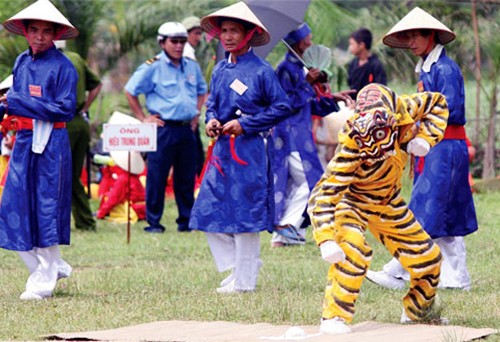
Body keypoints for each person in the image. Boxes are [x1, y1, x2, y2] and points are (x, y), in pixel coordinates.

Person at [308, 83, 449, 334]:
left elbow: (438, 103)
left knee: (428, 258)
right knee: (351, 249)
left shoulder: (406, 108)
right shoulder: (352, 142)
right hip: (353, 203)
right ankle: (334, 317)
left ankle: (416, 312)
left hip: (388, 201)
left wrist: (425, 139)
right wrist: (326, 239)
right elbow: (324, 192)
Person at [366, 7, 478, 291]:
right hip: (433, 148)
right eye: (408, 37)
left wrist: (415, 115)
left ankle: (398, 271)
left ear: (432, 36)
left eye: (417, 36)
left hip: (446, 147)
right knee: (441, 212)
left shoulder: (445, 69)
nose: (411, 42)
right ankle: (456, 278)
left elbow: (451, 110)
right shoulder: (427, 67)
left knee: (425, 212)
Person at [189, 1, 291, 293]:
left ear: (249, 35)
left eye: (235, 30)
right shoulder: (220, 69)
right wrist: (211, 121)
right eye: (224, 31)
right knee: (208, 210)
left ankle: (244, 282)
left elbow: (282, 106)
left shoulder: (262, 71)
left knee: (246, 215)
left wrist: (246, 124)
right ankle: (242, 265)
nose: (229, 36)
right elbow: (212, 106)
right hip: (222, 152)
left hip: (250, 152)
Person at [0, 0, 78, 300]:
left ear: (56, 34)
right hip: (22, 143)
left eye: (47, 32)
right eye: (34, 30)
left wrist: (17, 103)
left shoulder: (63, 67)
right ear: (25, 31)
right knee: (13, 208)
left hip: (51, 146)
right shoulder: (21, 61)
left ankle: (42, 283)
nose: (40, 37)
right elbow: (15, 101)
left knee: (45, 209)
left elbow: (65, 109)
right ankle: (51, 265)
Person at [272, 23, 353, 247]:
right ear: (299, 43)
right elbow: (284, 104)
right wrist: (306, 84)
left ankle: (285, 238)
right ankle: (287, 224)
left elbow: (308, 104)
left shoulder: (299, 68)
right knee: (313, 182)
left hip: (299, 131)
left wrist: (333, 97)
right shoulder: (285, 69)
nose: (311, 42)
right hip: (289, 134)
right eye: (308, 39)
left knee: (293, 183)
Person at [125, 21, 207, 233]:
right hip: (163, 128)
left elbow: (201, 90)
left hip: (186, 128)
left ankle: (186, 220)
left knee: (186, 176)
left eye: (182, 41)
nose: (179, 46)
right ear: (162, 43)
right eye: (174, 41)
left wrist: (197, 113)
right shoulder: (152, 66)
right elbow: (131, 90)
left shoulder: (191, 66)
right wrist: (143, 117)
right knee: (157, 175)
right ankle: (154, 222)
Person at [55, 40, 102, 232]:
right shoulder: (75, 58)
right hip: (79, 122)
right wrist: (85, 107)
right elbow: (97, 85)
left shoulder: (48, 63)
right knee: (73, 176)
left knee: (57, 176)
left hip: (61, 124)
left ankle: (57, 224)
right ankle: (85, 221)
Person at [182, 16, 206, 179]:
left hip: (190, 112)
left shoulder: (189, 52)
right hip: (187, 115)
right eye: (196, 33)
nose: (198, 38)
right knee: (194, 157)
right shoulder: (186, 53)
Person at [347, 28, 387, 99]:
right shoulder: (353, 63)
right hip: (353, 102)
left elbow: (381, 89)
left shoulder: (376, 65)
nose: (350, 48)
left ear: (362, 45)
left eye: (352, 44)